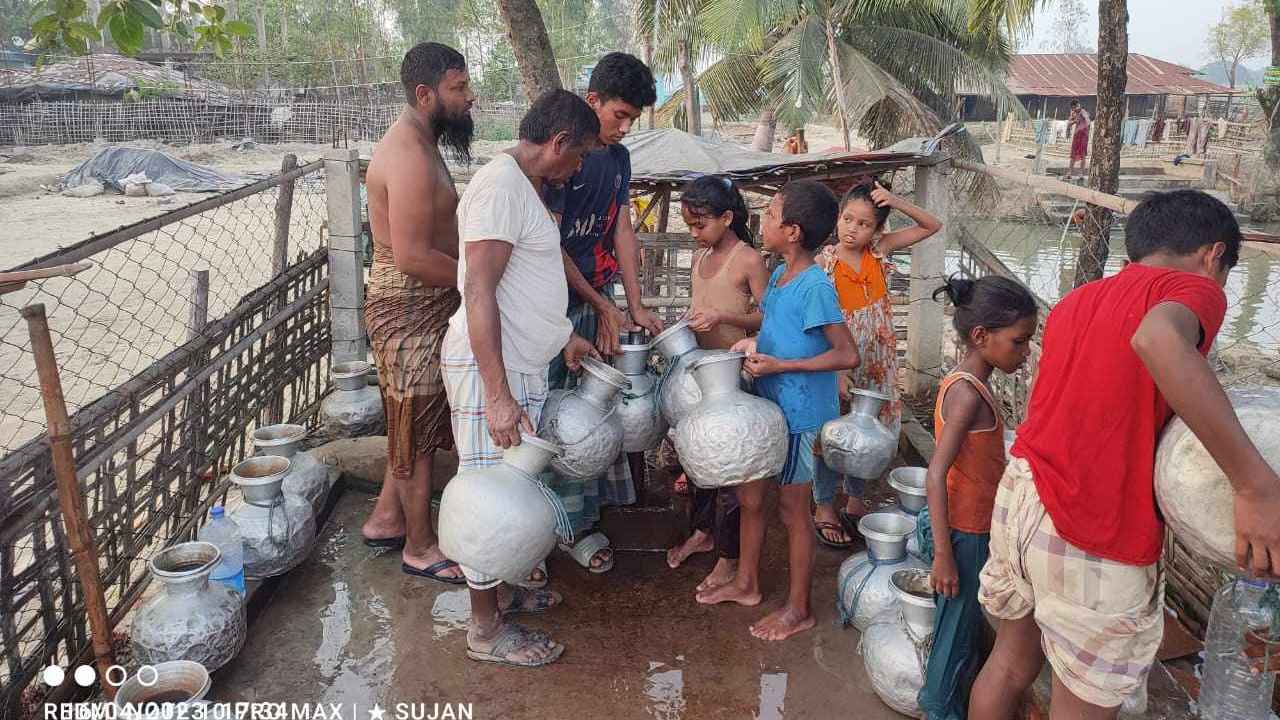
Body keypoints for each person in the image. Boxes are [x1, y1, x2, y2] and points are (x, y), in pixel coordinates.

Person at [969, 189, 1280, 719]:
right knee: (1083, 703)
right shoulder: (1192, 288)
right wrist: (1256, 486)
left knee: (1009, 664)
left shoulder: (1077, 302)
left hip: (1024, 494)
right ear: (1213, 254)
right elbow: (1159, 339)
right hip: (1093, 527)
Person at [441, 89, 602, 667]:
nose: (578, 167)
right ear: (558, 142)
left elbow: (521, 285)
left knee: (512, 491)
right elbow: (478, 290)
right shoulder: (500, 187)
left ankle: (503, 593)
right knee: (490, 497)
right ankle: (485, 629)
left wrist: (564, 336)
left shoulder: (520, 188)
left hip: (516, 363)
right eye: (578, 155)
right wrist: (498, 394)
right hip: (495, 369)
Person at [702, 180, 859, 643]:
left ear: (791, 231)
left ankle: (799, 609)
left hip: (801, 413)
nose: (763, 222)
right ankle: (747, 584)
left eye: (770, 215)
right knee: (751, 497)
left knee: (794, 511)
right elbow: (777, 326)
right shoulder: (778, 275)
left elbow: (847, 355)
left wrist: (783, 363)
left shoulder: (815, 286)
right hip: (769, 405)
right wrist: (756, 342)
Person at [542, 52, 662, 578]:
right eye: (619, 115)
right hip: (551, 302)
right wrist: (600, 303)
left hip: (600, 296)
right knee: (552, 412)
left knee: (596, 407)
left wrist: (631, 303)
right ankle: (541, 527)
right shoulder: (561, 155)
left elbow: (621, 230)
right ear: (592, 102)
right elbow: (547, 243)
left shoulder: (618, 160)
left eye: (632, 118)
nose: (624, 127)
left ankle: (579, 519)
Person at [360, 42, 474, 583]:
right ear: (425, 94)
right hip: (406, 307)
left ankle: (387, 518)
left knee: (416, 420)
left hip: (425, 303)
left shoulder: (424, 142)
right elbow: (409, 255)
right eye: (459, 89)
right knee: (414, 429)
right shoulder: (405, 153)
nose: (470, 98)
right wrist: (476, 281)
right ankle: (421, 549)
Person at [917, 276, 1038, 720]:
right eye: (1019, 342)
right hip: (964, 535)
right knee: (953, 636)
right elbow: (935, 474)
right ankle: (938, 709)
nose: (1024, 355)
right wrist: (945, 556)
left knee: (963, 627)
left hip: (968, 529)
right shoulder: (968, 394)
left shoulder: (965, 382)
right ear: (981, 336)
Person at [813, 181, 941, 548]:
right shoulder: (824, 263)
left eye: (864, 223)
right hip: (838, 363)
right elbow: (820, 320)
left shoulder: (881, 251)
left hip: (878, 365)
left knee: (870, 435)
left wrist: (898, 200)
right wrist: (835, 369)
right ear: (837, 218)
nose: (852, 229)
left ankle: (854, 501)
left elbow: (932, 226)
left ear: (877, 230)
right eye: (847, 219)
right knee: (829, 433)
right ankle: (823, 504)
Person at [664, 175, 769, 596]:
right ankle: (702, 531)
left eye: (700, 224)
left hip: (736, 376)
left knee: (730, 470)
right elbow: (701, 308)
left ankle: (728, 557)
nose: (694, 233)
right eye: (689, 225)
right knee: (697, 461)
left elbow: (766, 317)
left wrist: (724, 320)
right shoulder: (702, 256)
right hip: (701, 375)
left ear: (727, 217)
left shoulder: (748, 259)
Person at [1066, 99, 1090, 182]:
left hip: (1084, 136)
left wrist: (1085, 124)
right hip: (1076, 136)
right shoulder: (1073, 113)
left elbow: (1087, 120)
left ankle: (1081, 174)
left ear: (1078, 105)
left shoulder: (1083, 112)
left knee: (1083, 155)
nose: (1075, 109)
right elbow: (1068, 123)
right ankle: (1069, 173)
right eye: (1073, 108)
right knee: (1073, 154)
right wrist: (1073, 121)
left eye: (1075, 107)